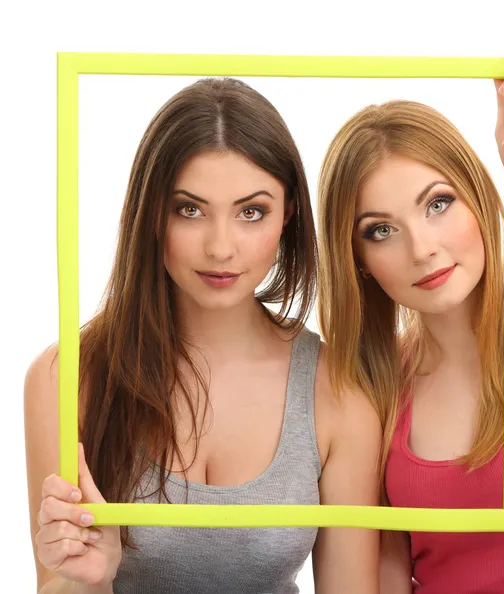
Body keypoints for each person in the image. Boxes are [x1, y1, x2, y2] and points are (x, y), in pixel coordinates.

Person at [24, 77, 381, 594]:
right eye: (189, 209)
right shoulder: (65, 379)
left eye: (250, 212)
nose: (220, 247)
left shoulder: (339, 391)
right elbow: (57, 585)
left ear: (289, 215)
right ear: (150, 216)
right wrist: (89, 580)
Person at [317, 43, 504, 593]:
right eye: (380, 230)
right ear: (360, 264)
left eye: (438, 203)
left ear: (478, 195)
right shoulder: (376, 391)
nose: (421, 248)